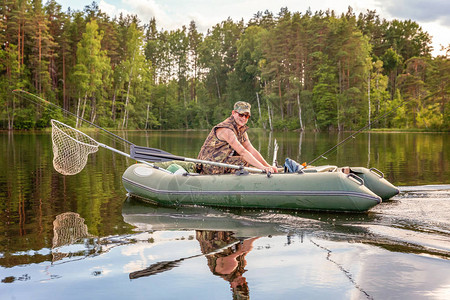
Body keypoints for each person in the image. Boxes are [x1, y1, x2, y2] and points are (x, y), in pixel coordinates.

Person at [197, 101, 278, 175]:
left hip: (222, 162)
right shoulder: (226, 130)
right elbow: (243, 152)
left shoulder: (240, 130)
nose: (243, 118)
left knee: (246, 159)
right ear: (233, 113)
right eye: (241, 114)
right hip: (209, 165)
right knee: (243, 160)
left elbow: (251, 149)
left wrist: (268, 166)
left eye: (246, 116)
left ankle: (253, 172)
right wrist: (262, 168)